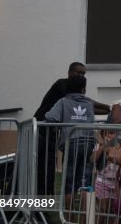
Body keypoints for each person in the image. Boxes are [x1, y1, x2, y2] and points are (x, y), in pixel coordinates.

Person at [34, 62, 109, 197]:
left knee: (65, 175)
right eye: (78, 73)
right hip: (41, 129)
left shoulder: (76, 100)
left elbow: (85, 105)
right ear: (69, 73)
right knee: (43, 166)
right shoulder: (63, 85)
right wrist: (108, 106)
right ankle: (43, 198)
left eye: (83, 74)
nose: (80, 75)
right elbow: (82, 102)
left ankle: (50, 197)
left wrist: (108, 108)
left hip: (61, 134)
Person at [45, 75, 98, 203]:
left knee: (69, 183)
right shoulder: (89, 104)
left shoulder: (63, 101)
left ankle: (68, 218)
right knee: (85, 182)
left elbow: (50, 117)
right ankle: (85, 219)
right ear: (83, 89)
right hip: (88, 143)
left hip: (72, 143)